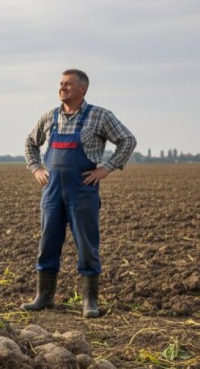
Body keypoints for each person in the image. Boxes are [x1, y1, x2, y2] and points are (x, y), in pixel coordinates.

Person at [22, 69, 136, 317]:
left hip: (82, 190)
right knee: (48, 242)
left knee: (87, 244)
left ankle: (89, 301)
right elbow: (30, 142)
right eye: (61, 83)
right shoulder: (50, 117)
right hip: (51, 192)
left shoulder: (99, 116)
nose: (62, 88)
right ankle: (43, 297)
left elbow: (127, 140)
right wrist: (36, 169)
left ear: (82, 89)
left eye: (68, 84)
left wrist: (106, 168)